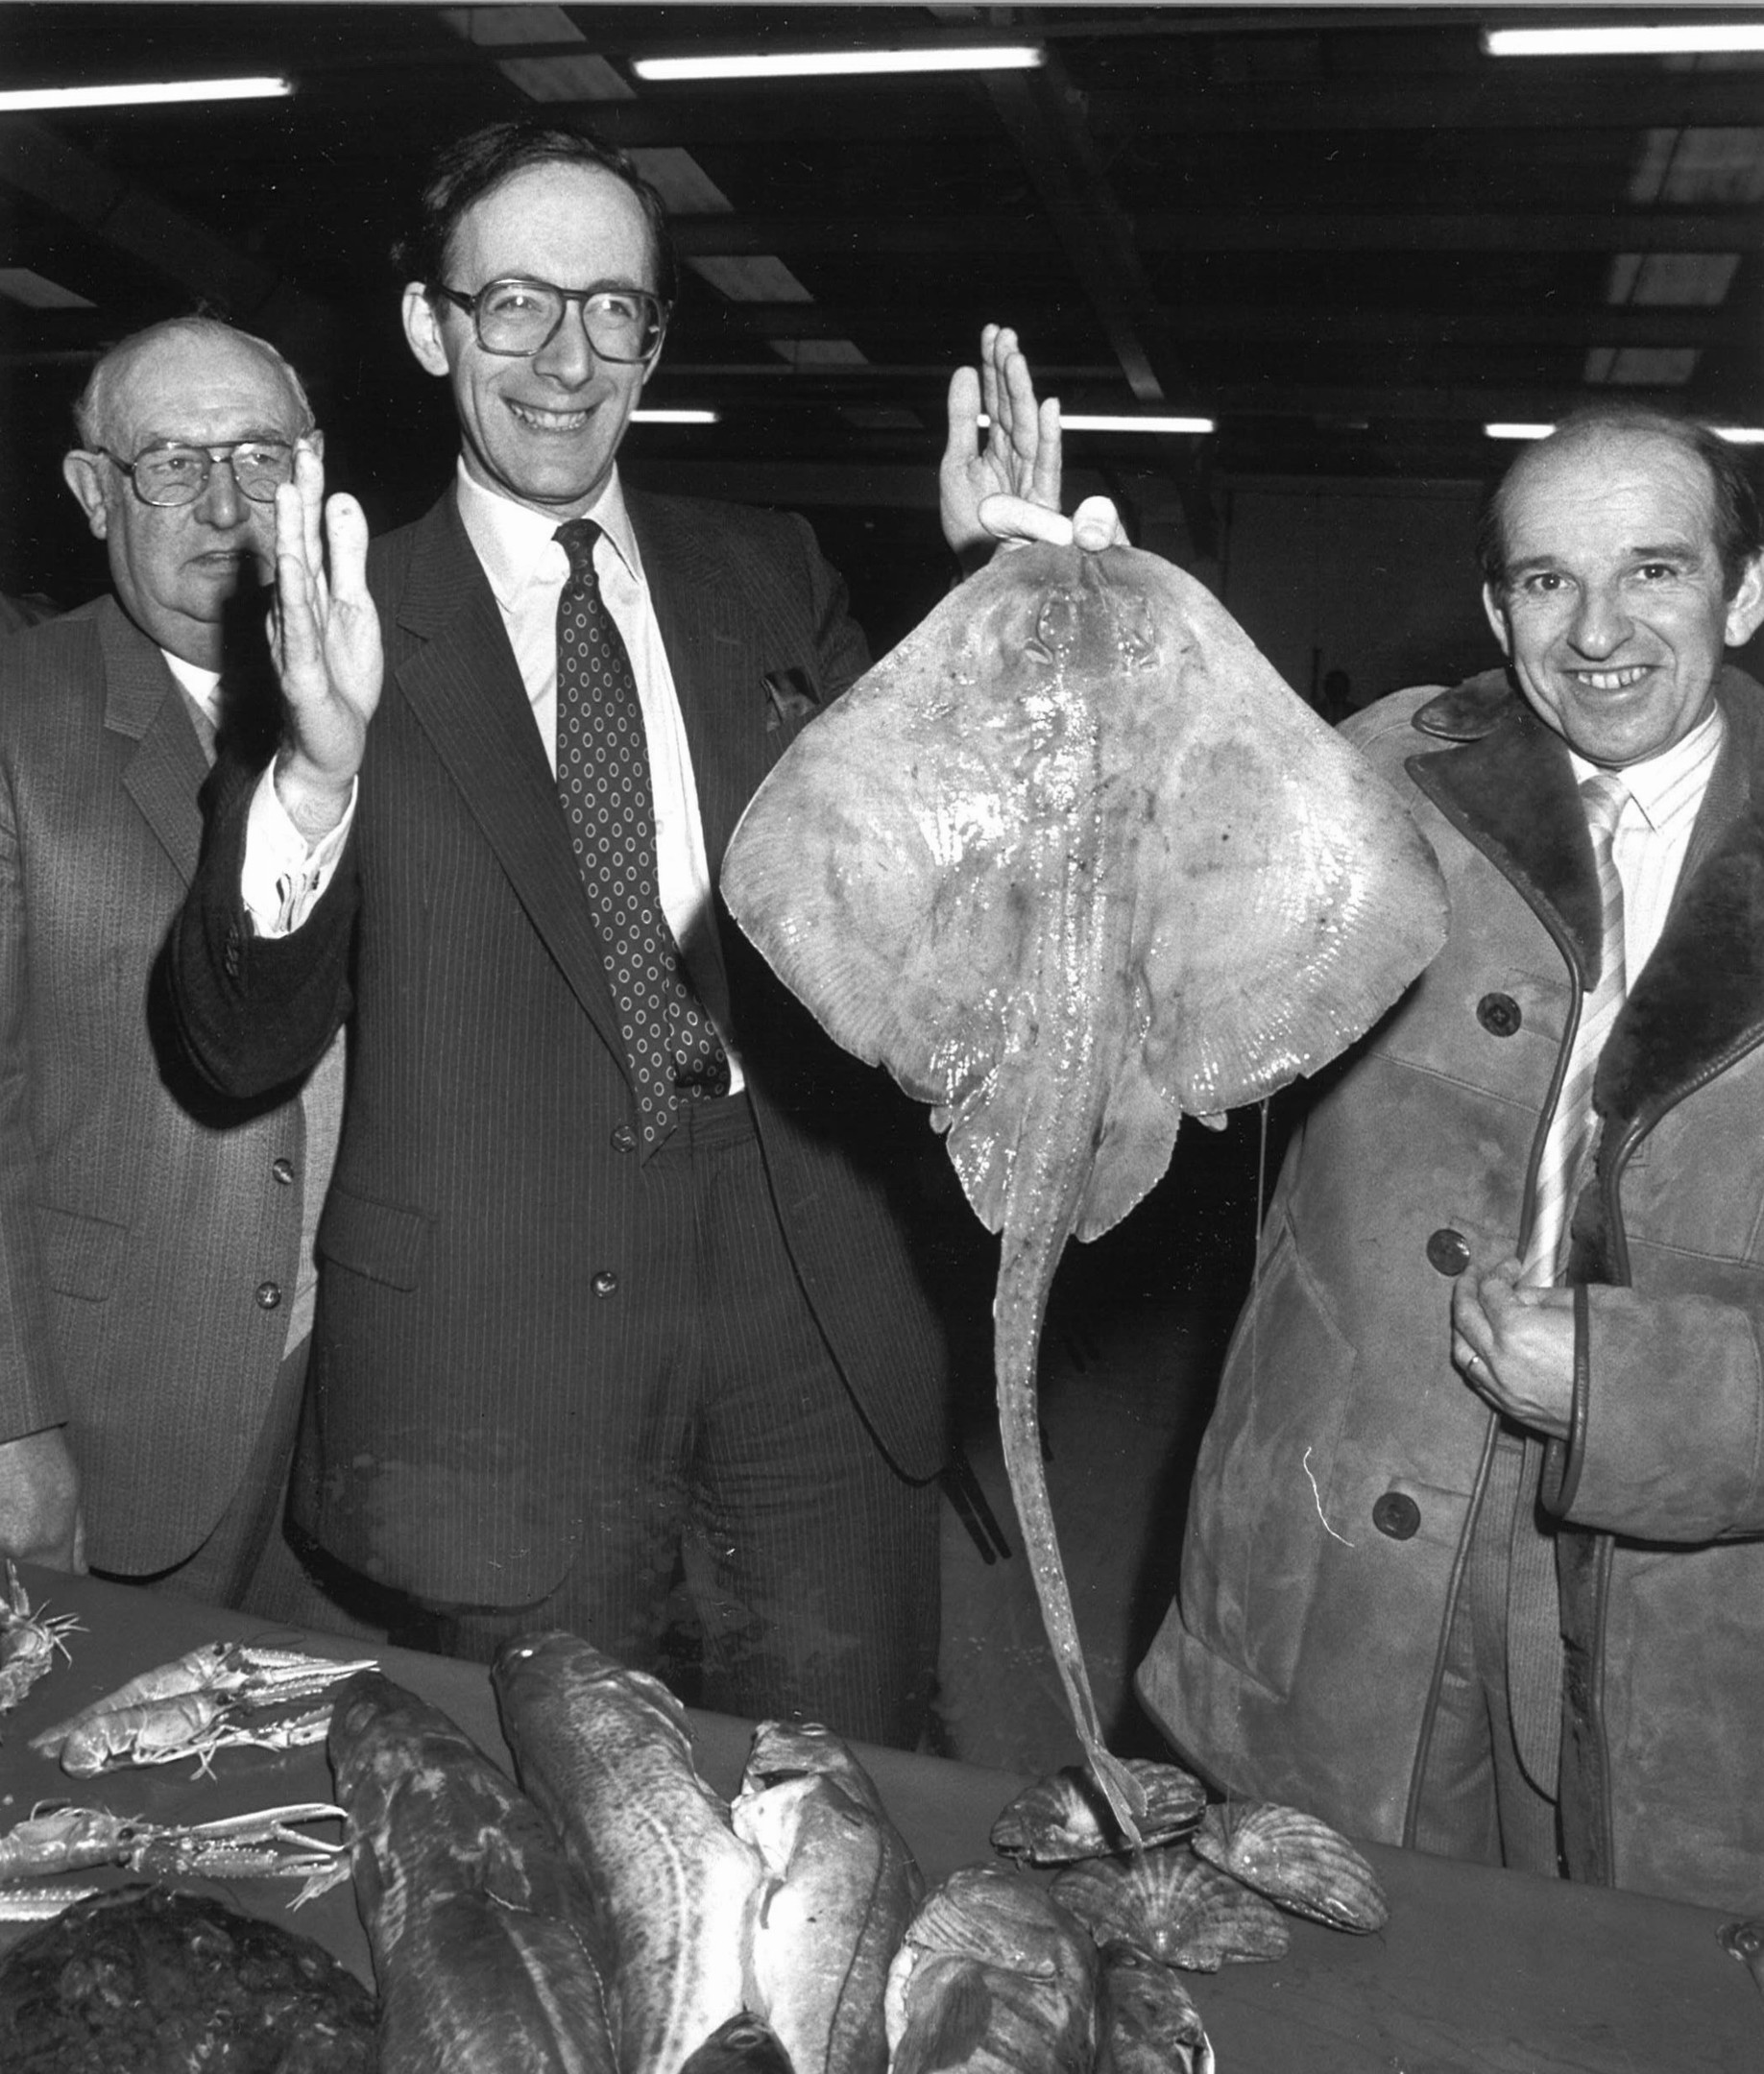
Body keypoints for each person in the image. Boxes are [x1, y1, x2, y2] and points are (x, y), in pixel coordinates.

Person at [167, 120, 1079, 1746]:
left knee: (838, 1800)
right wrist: (315, 768)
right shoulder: (343, 611)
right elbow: (232, 1044)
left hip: (806, 1292)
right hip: (499, 1344)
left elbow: (954, 904)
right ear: (430, 328)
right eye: (514, 303)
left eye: (615, 311)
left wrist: (997, 608)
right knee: (568, 1842)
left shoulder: (767, 571)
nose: (566, 359)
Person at [1138, 403, 1764, 1915]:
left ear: (1744, 593)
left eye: (1654, 573)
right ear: (1495, 607)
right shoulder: (1378, 776)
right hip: (1351, 1535)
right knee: (1344, 1977)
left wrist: (1628, 1388)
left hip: (1687, 1599)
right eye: (1546, 580)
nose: (1595, 630)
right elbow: (1131, 965)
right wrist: (1054, 610)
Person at [0, 315, 342, 1603]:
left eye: (258, 457)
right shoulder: (17, 712)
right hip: (113, 1404)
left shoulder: (393, 699)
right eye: (168, 464)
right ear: (95, 491)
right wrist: (10, 1424)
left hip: (351, 1414)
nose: (221, 503)